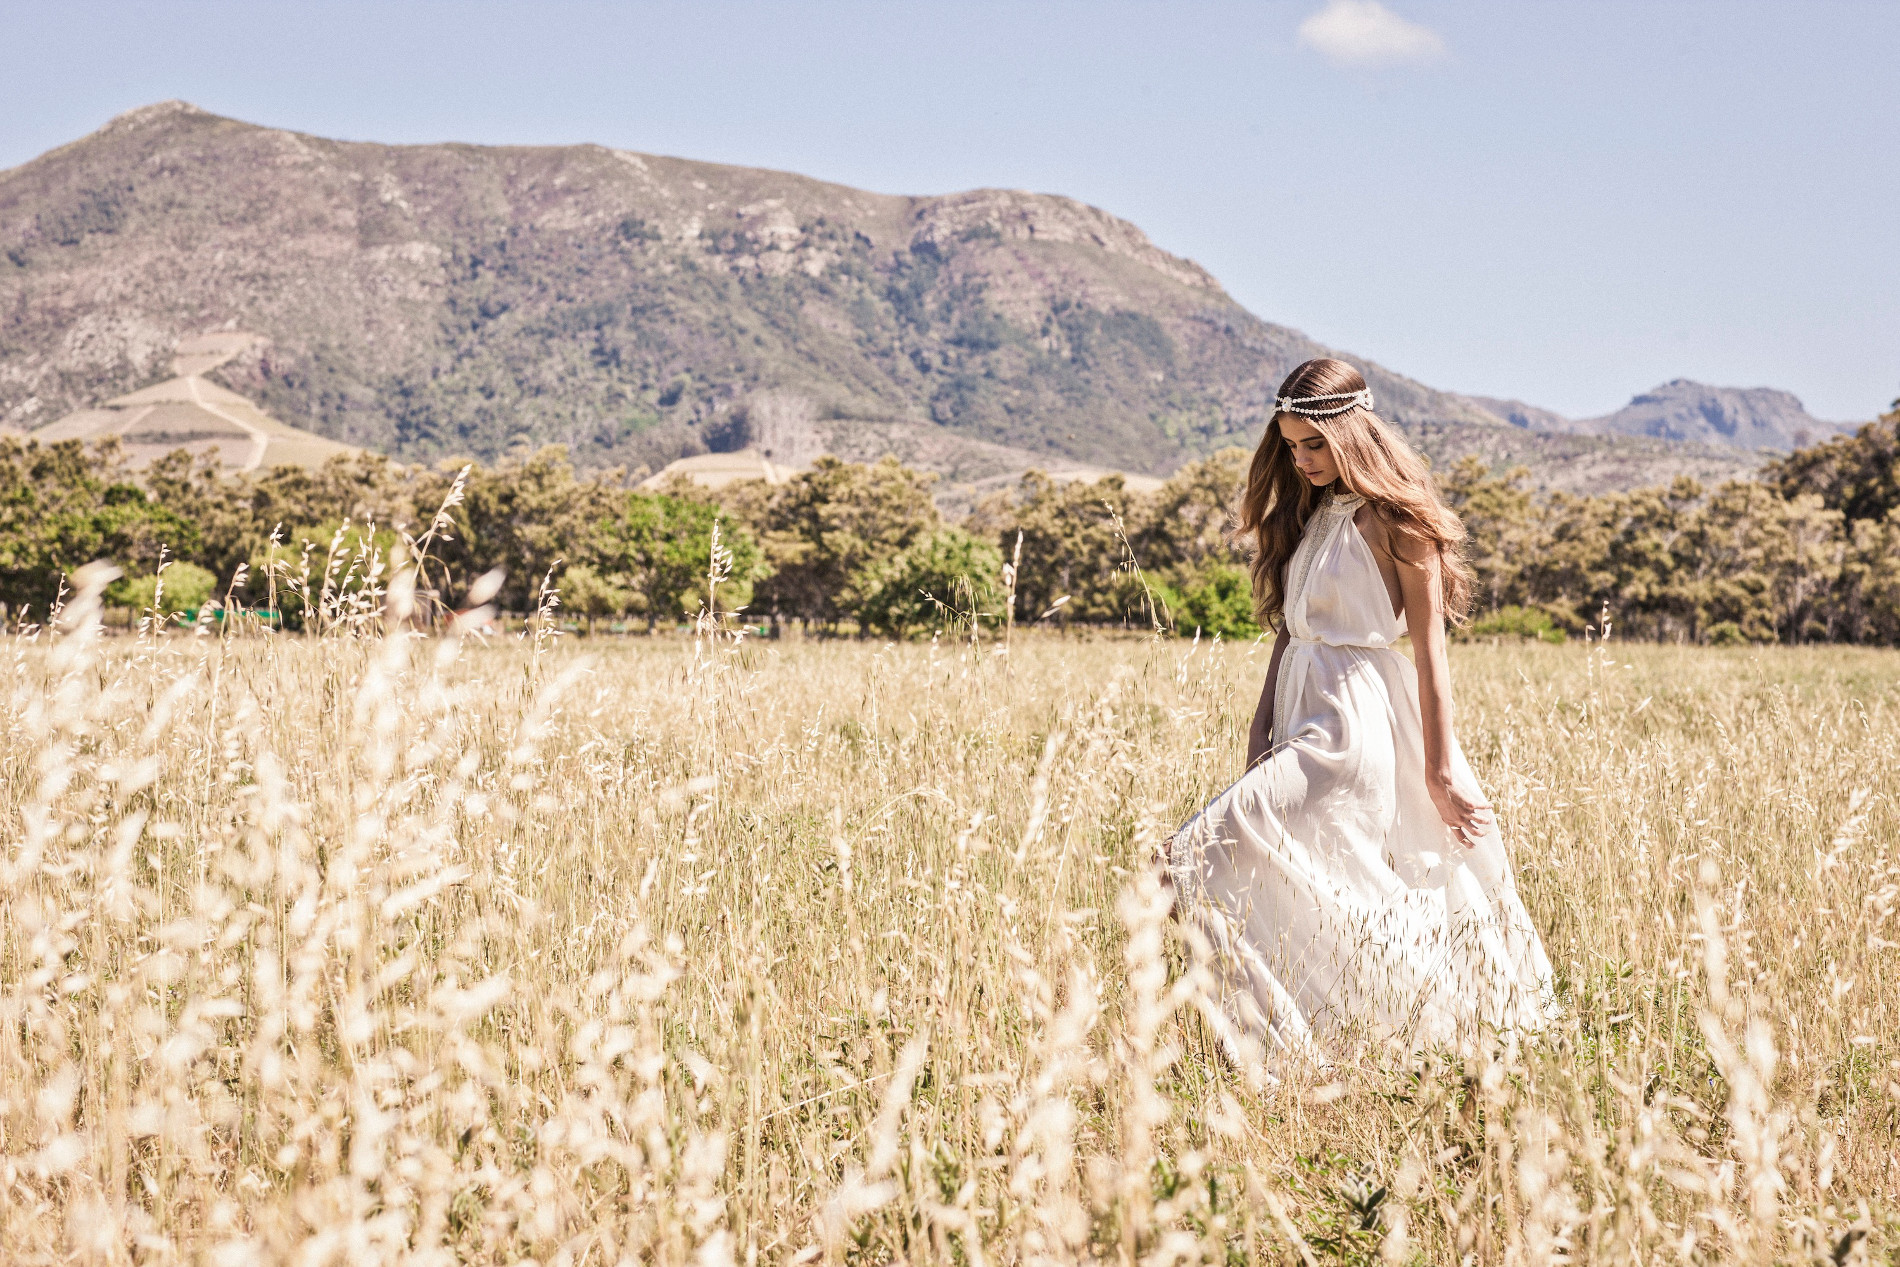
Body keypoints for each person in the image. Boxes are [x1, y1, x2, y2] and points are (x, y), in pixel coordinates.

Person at [1167, 357, 1553, 1069]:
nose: (1302, 459)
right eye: (1290, 445)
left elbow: (1431, 653)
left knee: (1189, 854)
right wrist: (1259, 725)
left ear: (1354, 432)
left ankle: (1278, 1052)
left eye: (1315, 444)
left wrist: (1440, 768)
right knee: (1328, 881)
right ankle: (1334, 1037)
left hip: (1353, 726)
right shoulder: (1310, 514)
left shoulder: (1401, 522)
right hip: (1299, 712)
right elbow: (1290, 629)